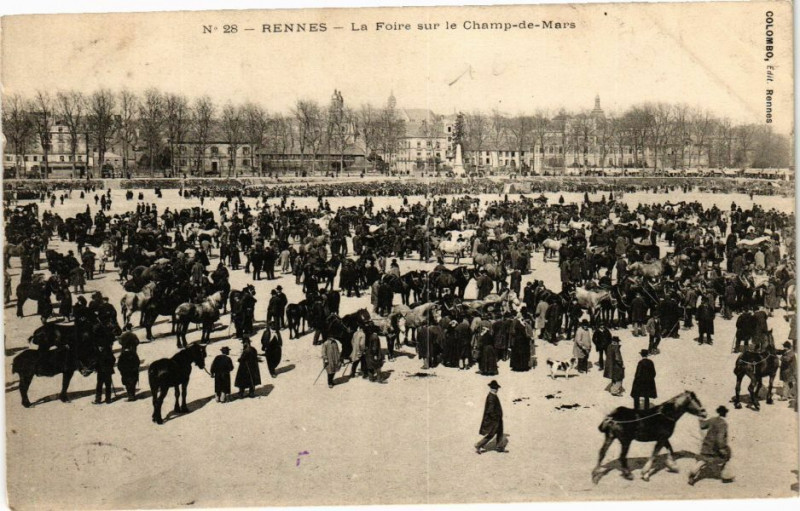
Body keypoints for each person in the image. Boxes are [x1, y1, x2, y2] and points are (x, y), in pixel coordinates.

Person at [688, 406, 734, 485]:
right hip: (716, 448)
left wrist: (700, 418)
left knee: (702, 461)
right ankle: (725, 476)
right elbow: (720, 438)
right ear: (725, 413)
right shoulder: (723, 424)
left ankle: (693, 472)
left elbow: (703, 425)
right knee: (727, 457)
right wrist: (722, 449)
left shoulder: (713, 419)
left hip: (706, 445)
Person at [475, 380, 505, 454]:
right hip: (494, 419)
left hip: (497, 418)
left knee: (500, 432)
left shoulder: (493, 395)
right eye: (496, 388)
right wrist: (495, 418)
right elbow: (490, 410)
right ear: (494, 389)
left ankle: (499, 446)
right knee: (491, 433)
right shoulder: (491, 397)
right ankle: (478, 445)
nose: (497, 390)